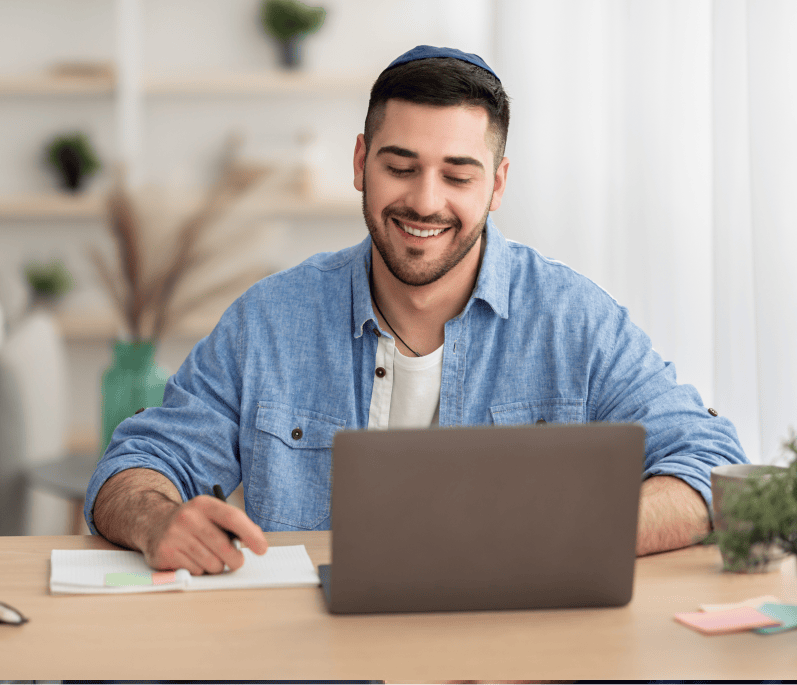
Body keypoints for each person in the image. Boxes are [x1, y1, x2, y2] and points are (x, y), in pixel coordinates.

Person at [85, 45, 748, 575]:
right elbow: (137, 462)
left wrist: (566, 535)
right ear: (359, 163)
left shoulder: (573, 319)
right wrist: (158, 519)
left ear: (498, 185)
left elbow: (709, 466)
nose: (426, 201)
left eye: (458, 175)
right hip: (314, 660)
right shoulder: (269, 320)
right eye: (400, 166)